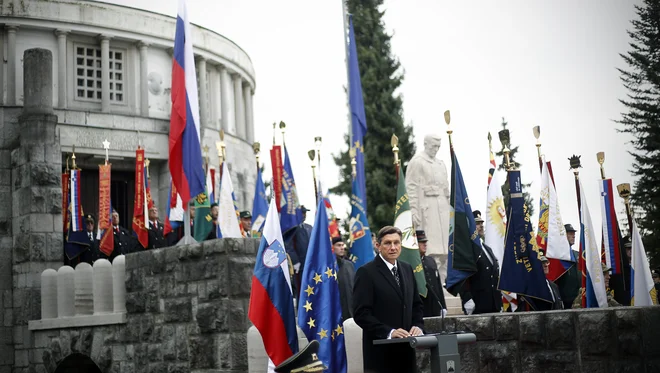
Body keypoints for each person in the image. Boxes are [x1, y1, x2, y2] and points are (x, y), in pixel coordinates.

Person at [353, 226, 424, 373]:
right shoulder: (366, 272)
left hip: (407, 354)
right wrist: (389, 332)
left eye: (397, 243)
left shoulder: (407, 269)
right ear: (378, 246)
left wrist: (418, 325)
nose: (393, 247)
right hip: (381, 357)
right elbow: (361, 314)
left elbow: (416, 305)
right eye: (388, 243)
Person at [460, 211, 501, 315]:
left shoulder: (488, 249)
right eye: (477, 224)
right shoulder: (468, 250)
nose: (481, 226)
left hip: (493, 305)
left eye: (482, 223)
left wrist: (498, 299)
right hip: (478, 305)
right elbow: (462, 275)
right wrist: (467, 298)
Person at [417, 230, 447, 317]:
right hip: (422, 306)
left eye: (425, 242)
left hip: (435, 305)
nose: (425, 244)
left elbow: (438, 284)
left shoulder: (430, 260)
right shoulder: (412, 263)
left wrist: (443, 306)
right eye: (422, 242)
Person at [555, 223, 581, 309]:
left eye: (574, 234)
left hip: (580, 298)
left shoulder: (578, 255)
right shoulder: (557, 256)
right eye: (570, 233)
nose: (573, 236)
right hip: (565, 300)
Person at [332, 237, 355, 321]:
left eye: (342, 245)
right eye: (338, 245)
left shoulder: (349, 264)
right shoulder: (329, 266)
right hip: (338, 307)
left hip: (352, 305)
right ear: (332, 247)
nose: (342, 248)